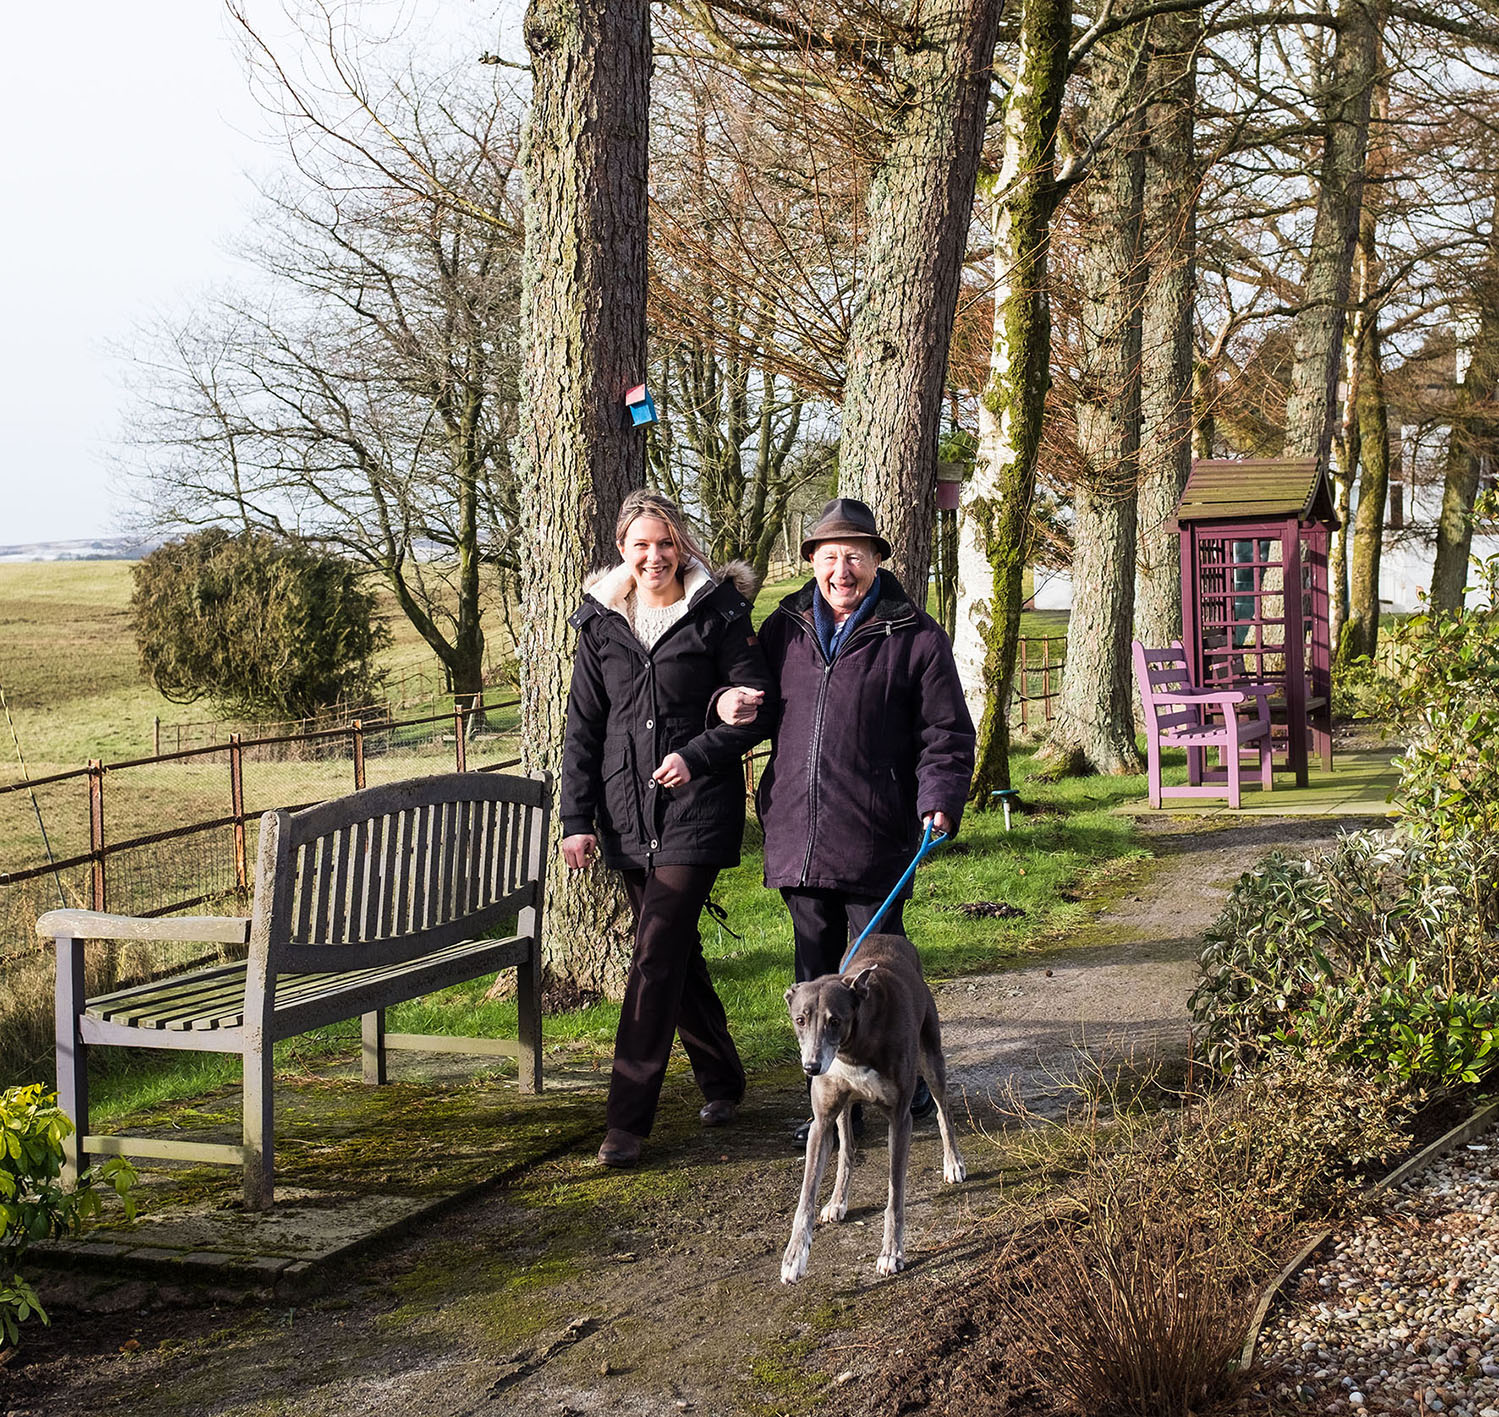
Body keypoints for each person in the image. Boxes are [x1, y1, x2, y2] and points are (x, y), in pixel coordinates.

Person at [718, 497, 975, 1141]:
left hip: (878, 836)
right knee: (813, 981)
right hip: (798, 835)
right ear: (811, 563)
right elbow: (746, 694)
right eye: (828, 557)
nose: (841, 570)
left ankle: (901, 1083)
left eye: (854, 556)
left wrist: (939, 795)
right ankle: (828, 1108)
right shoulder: (783, 627)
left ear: (877, 561)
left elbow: (945, 731)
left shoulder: (914, 635)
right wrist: (726, 703)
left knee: (873, 975)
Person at [561, 489, 773, 1168]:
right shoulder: (600, 623)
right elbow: (583, 728)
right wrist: (576, 818)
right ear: (622, 549)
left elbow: (755, 709)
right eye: (640, 544)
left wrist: (697, 752)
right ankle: (722, 1078)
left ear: (683, 546)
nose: (654, 556)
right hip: (624, 815)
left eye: (665, 543)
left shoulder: (717, 612)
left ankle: (625, 1121)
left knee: (653, 955)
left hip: (696, 811)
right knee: (675, 957)